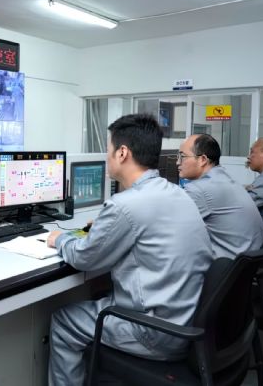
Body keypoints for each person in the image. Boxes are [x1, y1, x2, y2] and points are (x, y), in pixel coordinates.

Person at [46, 114, 213, 386]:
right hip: (187, 324)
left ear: (122, 152)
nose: (107, 156)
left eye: (109, 149)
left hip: (154, 332)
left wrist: (59, 239)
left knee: (64, 321)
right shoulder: (177, 193)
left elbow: (84, 257)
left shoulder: (125, 205)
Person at [177, 134, 263, 258]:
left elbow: (172, 230)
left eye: (182, 157)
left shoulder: (200, 189)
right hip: (250, 259)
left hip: (231, 264)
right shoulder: (222, 177)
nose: (177, 162)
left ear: (203, 159)